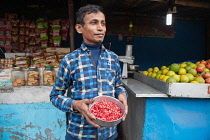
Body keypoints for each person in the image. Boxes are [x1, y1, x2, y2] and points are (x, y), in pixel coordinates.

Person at [50, 4, 128, 140]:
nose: (100, 28)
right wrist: (75, 104)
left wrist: (122, 95)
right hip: (79, 134)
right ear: (79, 28)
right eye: (94, 23)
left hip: (108, 134)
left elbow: (118, 85)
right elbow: (55, 96)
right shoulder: (70, 60)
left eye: (103, 24)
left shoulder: (113, 58)